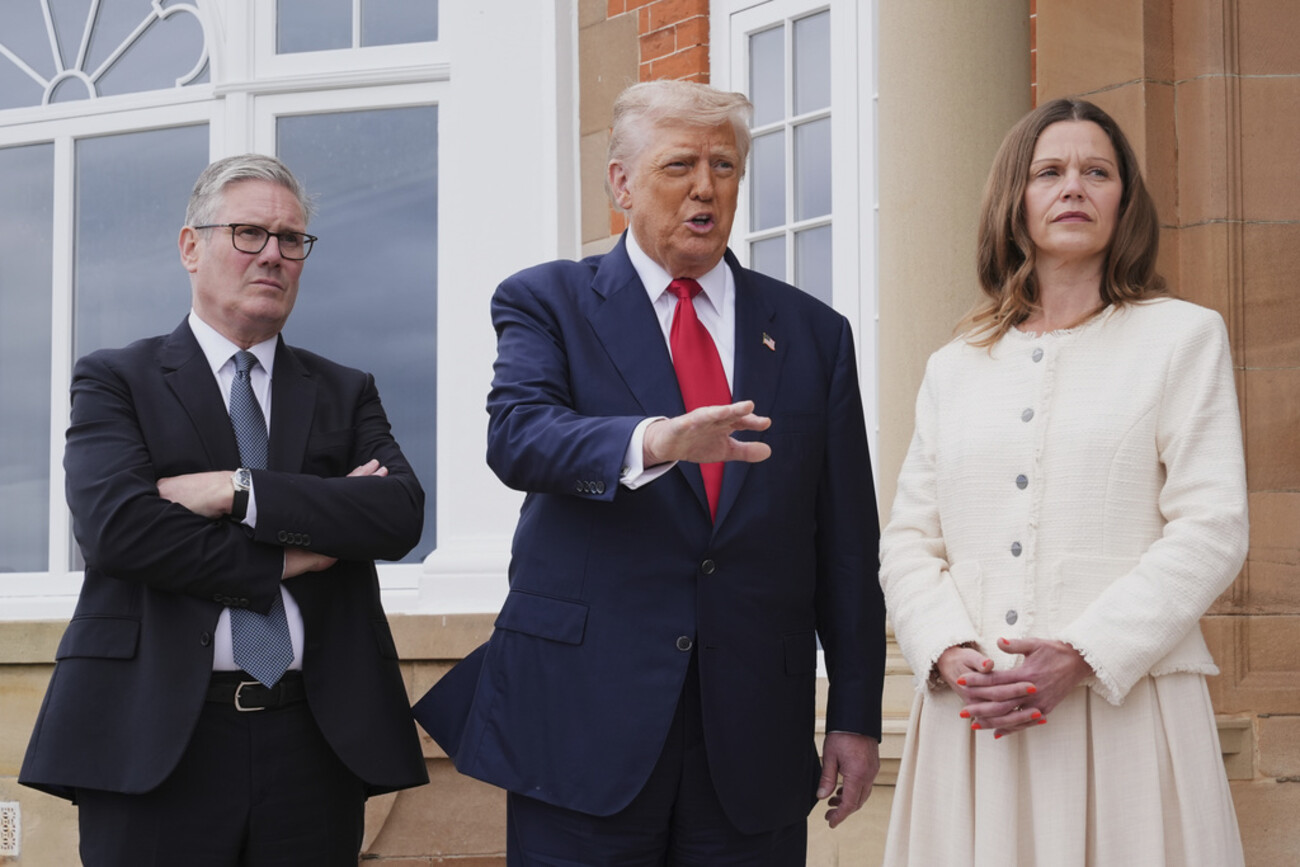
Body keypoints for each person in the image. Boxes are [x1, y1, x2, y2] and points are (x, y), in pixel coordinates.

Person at [416, 80, 884, 865]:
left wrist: (856, 713)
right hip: (583, 724)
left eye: (724, 166)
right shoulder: (548, 300)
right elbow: (519, 436)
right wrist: (655, 441)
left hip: (752, 733)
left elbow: (845, 544)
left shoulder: (814, 333)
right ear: (622, 183)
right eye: (679, 165)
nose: (705, 187)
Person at [20, 153, 428, 866]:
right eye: (248, 233)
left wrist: (235, 490)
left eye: (290, 238)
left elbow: (396, 515)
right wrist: (294, 553)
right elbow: (120, 531)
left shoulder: (344, 389)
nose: (272, 254)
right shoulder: (117, 379)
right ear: (191, 246)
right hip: (155, 738)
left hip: (314, 740)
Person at [879, 97, 1248, 866]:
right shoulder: (955, 366)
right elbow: (909, 539)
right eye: (1049, 171)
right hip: (979, 717)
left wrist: (1084, 651)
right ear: (1015, 199)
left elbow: (1212, 526)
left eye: (1097, 172)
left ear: (1124, 201)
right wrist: (946, 648)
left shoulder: (1182, 337)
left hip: (1126, 711)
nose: (1073, 186)